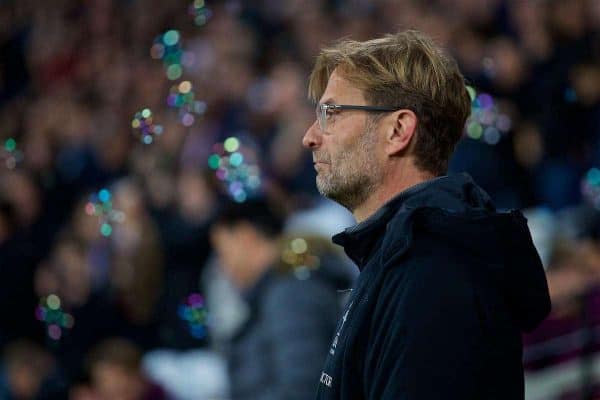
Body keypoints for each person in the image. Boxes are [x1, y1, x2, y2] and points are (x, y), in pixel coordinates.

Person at [302, 30, 551, 399]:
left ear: (398, 130)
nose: (310, 136)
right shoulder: (402, 258)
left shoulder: (436, 273)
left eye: (331, 113)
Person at [209, 199, 351, 400]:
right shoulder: (280, 290)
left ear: (245, 236)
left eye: (222, 251)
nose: (223, 266)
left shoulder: (291, 294)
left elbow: (303, 388)